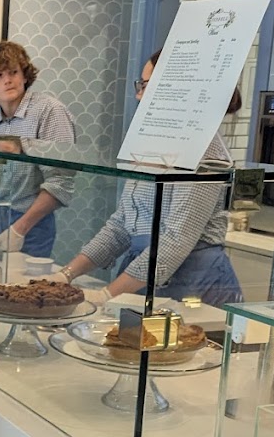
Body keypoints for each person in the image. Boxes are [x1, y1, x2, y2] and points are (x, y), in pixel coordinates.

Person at [54, 51, 243, 306]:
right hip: (142, 276)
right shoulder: (148, 144)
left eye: (146, 85)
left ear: (177, 89)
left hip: (195, 284)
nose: (138, 95)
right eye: (140, 85)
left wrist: (106, 294)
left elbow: (176, 241)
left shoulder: (204, 149)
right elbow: (121, 226)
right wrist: (66, 275)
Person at [0, 40, 77, 257]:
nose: (8, 80)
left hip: (31, 222)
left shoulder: (50, 111)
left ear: (25, 76)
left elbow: (61, 182)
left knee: (22, 280)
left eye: (13, 72)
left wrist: (20, 229)